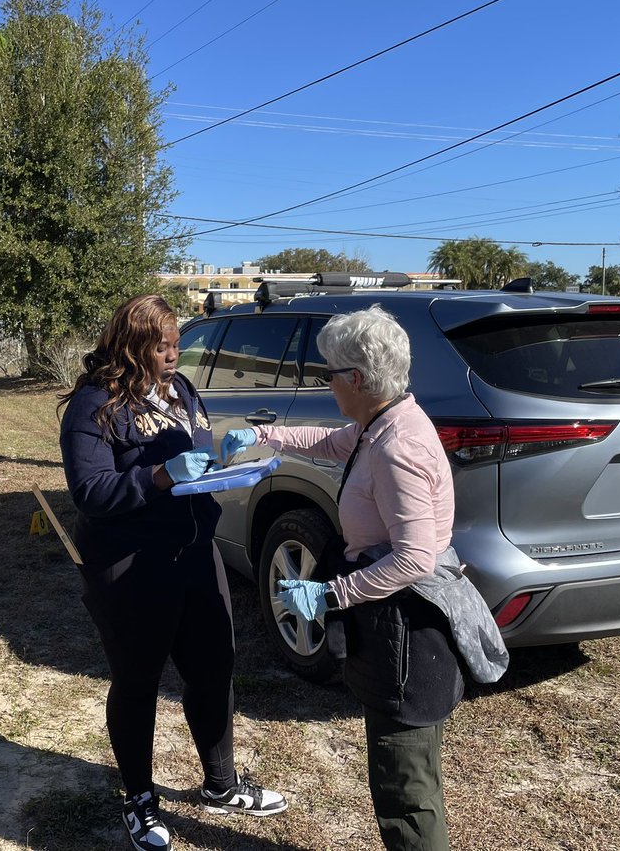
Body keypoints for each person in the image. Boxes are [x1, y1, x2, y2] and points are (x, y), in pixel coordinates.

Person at [220, 304, 507, 851]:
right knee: (399, 772)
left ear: (355, 378)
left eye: (329, 372)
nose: (326, 383)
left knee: (405, 784)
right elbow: (330, 445)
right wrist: (265, 435)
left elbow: (415, 558)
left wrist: (330, 593)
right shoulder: (382, 424)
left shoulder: (398, 444)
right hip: (391, 618)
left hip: (408, 625)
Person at [58, 294, 287, 851]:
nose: (172, 355)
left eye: (176, 344)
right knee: (137, 682)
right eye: (160, 346)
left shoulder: (180, 389)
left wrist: (219, 453)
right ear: (132, 345)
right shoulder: (94, 405)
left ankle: (221, 783)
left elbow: (195, 453)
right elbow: (90, 492)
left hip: (195, 552)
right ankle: (138, 797)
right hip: (131, 564)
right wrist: (157, 476)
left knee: (214, 670)